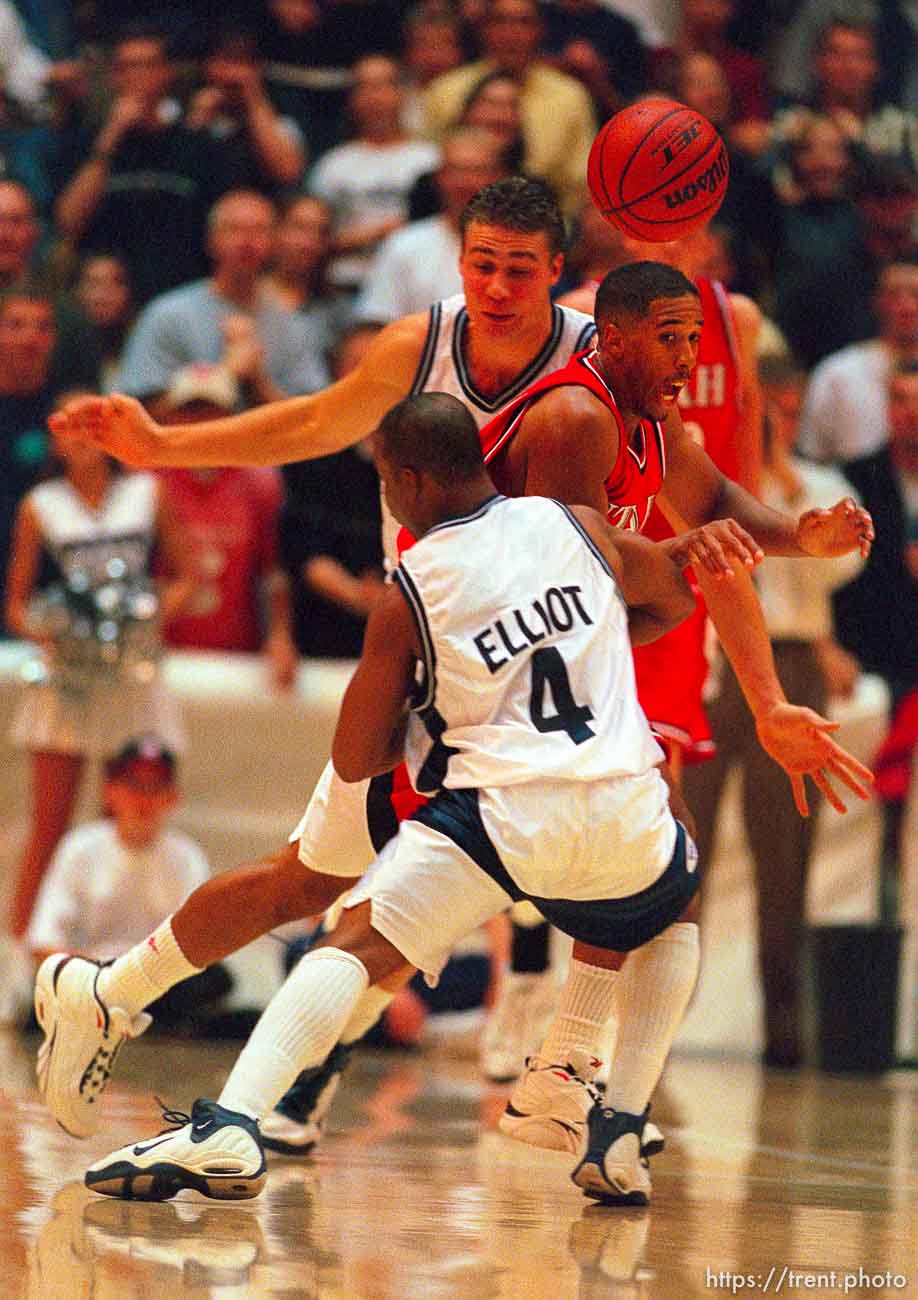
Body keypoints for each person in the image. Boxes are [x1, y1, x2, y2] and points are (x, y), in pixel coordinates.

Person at [39, 198, 871, 1149]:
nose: (498, 286)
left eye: (521, 267)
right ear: (460, 261)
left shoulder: (606, 385)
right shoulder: (432, 348)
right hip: (436, 651)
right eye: (482, 264)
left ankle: (542, 1064)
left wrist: (787, 566)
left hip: (519, 672)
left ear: (563, 273)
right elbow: (314, 422)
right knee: (320, 881)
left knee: (541, 855)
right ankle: (117, 999)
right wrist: (164, 447)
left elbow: (702, 517)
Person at [74, 391, 705, 1205]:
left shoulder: (414, 582)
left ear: (407, 480)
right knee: (675, 903)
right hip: (619, 802)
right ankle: (619, 1128)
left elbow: (357, 753)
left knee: (358, 942)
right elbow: (675, 599)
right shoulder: (576, 525)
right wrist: (591, 645)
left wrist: (424, 715)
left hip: (501, 813)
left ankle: (234, 1122)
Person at [683, 355, 864, 1067]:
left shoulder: (817, 488)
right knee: (681, 845)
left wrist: (783, 483)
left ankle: (786, 1034)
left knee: (785, 854)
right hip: (711, 665)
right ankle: (652, 1022)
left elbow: (845, 562)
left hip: (789, 663)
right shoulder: (708, 481)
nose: (770, 424)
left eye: (782, 412)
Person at [4, 392, 194, 1001]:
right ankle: (20, 971)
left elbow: (190, 571)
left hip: (133, 675)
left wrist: (149, 618)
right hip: (71, 680)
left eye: (93, 425)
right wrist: (54, 632)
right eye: (68, 427)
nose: (81, 438)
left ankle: (124, 971)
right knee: (50, 823)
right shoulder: (42, 505)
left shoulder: (148, 493)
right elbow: (16, 602)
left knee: (129, 815)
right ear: (55, 439)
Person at [26, 736, 229, 1030]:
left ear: (171, 797)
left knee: (217, 985)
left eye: (155, 787)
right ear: (110, 792)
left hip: (161, 984)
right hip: (95, 976)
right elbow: (43, 942)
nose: (143, 798)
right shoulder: (80, 848)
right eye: (133, 785)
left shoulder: (187, 858)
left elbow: (202, 946)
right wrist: (102, 975)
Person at [52, 25, 233, 305]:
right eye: (127, 67)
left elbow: (219, 231)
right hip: (104, 296)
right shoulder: (87, 143)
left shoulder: (198, 147)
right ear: (114, 76)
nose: (137, 74)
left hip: (181, 292)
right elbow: (68, 221)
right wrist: (110, 137)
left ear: (167, 73)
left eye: (148, 65)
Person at [116, 190, 330, 417]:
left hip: (261, 451)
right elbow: (138, 414)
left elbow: (309, 422)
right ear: (211, 240)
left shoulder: (292, 325)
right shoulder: (168, 314)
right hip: (187, 450)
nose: (247, 241)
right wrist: (224, 377)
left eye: (259, 230)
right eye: (234, 229)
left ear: (274, 242)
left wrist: (257, 381)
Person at [155, 364, 298, 689]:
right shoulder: (149, 482)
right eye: (191, 411)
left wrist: (280, 635)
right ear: (172, 418)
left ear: (234, 418)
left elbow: (272, 570)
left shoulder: (261, 482)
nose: (203, 423)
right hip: (164, 656)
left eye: (213, 411)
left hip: (237, 657)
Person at [423, 0, 596, 217]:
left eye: (524, 22)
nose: (512, 33)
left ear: (539, 30)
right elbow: (428, 166)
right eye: (500, 21)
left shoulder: (570, 95)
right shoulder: (445, 90)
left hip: (549, 219)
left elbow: (579, 185)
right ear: (484, 28)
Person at [308, 55, 440, 293]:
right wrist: (373, 234)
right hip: (346, 285)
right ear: (352, 99)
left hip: (413, 283)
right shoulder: (333, 164)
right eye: (364, 87)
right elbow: (312, 241)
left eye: (383, 86)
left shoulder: (429, 159)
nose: (374, 97)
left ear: (402, 93)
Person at [355, 127, 508, 322]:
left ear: (499, 178)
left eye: (477, 171)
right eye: (456, 171)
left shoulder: (525, 247)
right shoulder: (404, 245)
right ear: (439, 178)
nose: (465, 183)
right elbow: (376, 323)